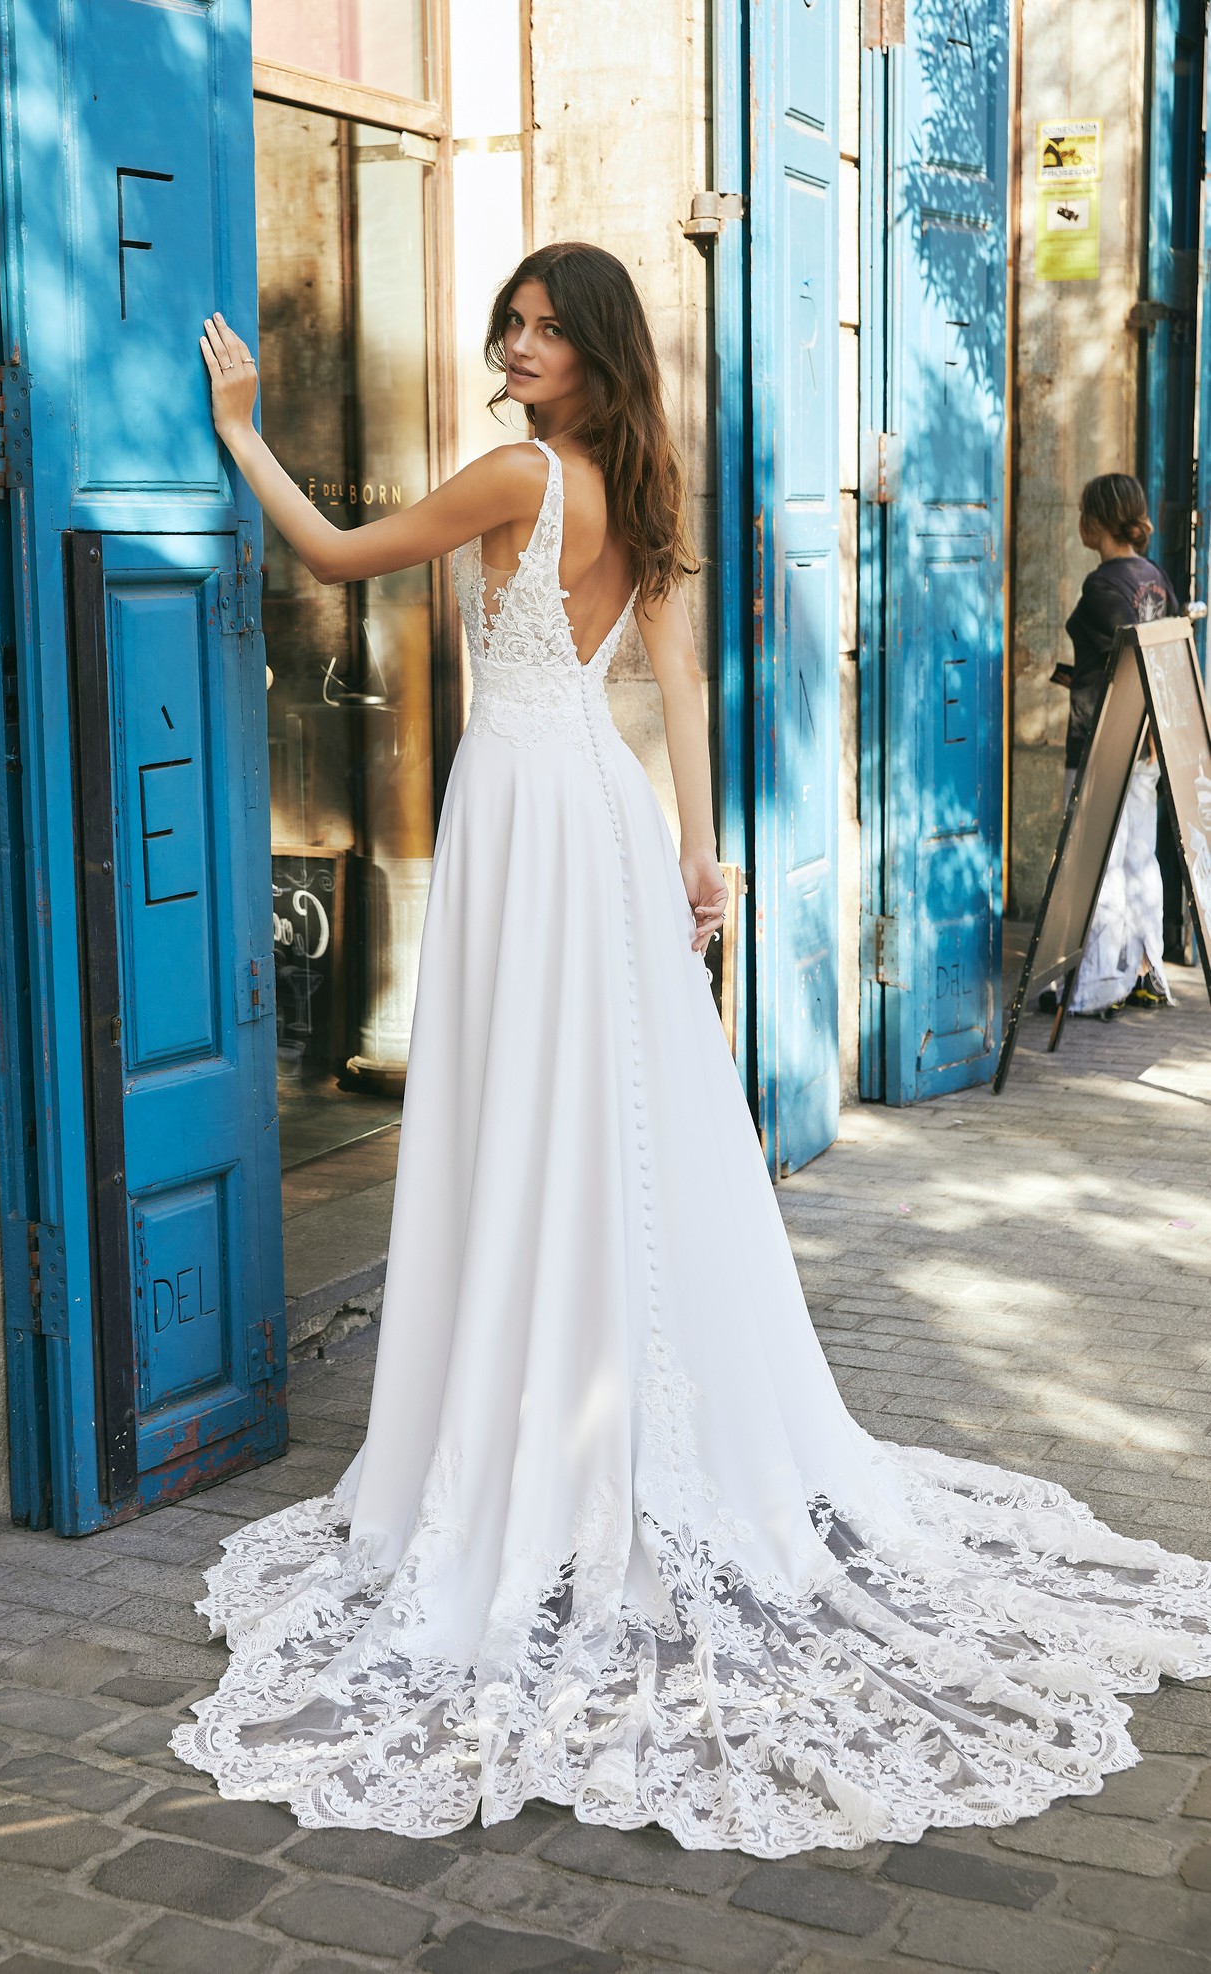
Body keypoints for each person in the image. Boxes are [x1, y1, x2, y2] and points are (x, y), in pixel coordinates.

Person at [173, 246, 1211, 1856]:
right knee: (604, 1122)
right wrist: (701, 853)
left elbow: (333, 546)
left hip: (524, 813)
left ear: (593, 354)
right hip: (585, 809)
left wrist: (243, 426)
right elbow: (672, 682)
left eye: (544, 330)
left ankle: (534, 1429)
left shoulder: (520, 473)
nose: (517, 347)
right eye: (507, 322)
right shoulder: (635, 483)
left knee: (534, 1118)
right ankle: (585, 1405)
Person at [1047, 475, 1178, 1018]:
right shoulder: (1156, 578)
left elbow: (1122, 670)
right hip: (1147, 743)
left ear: (1096, 522)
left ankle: (1101, 984)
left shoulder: (1103, 588)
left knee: (1094, 861)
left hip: (1106, 741)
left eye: (1083, 511)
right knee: (1138, 858)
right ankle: (1144, 968)